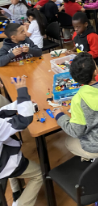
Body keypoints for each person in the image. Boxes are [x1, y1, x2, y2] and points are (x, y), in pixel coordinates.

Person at [0, 76, 43, 206]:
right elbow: (24, 120)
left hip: (4, 152)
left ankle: (16, 190)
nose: (2, 86)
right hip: (4, 163)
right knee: (39, 174)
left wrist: (22, 103)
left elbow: (2, 112)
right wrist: (22, 92)